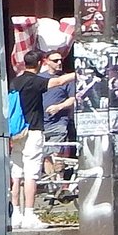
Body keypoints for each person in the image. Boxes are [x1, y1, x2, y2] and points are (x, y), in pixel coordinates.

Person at [10, 49, 77, 230]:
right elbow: (60, 81)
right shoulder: (36, 81)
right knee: (32, 173)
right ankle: (30, 215)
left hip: (16, 132)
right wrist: (78, 72)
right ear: (40, 63)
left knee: (16, 173)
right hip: (33, 130)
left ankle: (15, 214)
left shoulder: (15, 81)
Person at [40, 51, 76, 181]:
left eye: (61, 60)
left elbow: (73, 99)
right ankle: (52, 184)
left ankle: (58, 183)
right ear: (46, 62)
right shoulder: (40, 78)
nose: (59, 63)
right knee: (46, 155)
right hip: (41, 123)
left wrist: (58, 107)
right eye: (55, 61)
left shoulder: (67, 79)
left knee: (56, 154)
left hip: (59, 122)